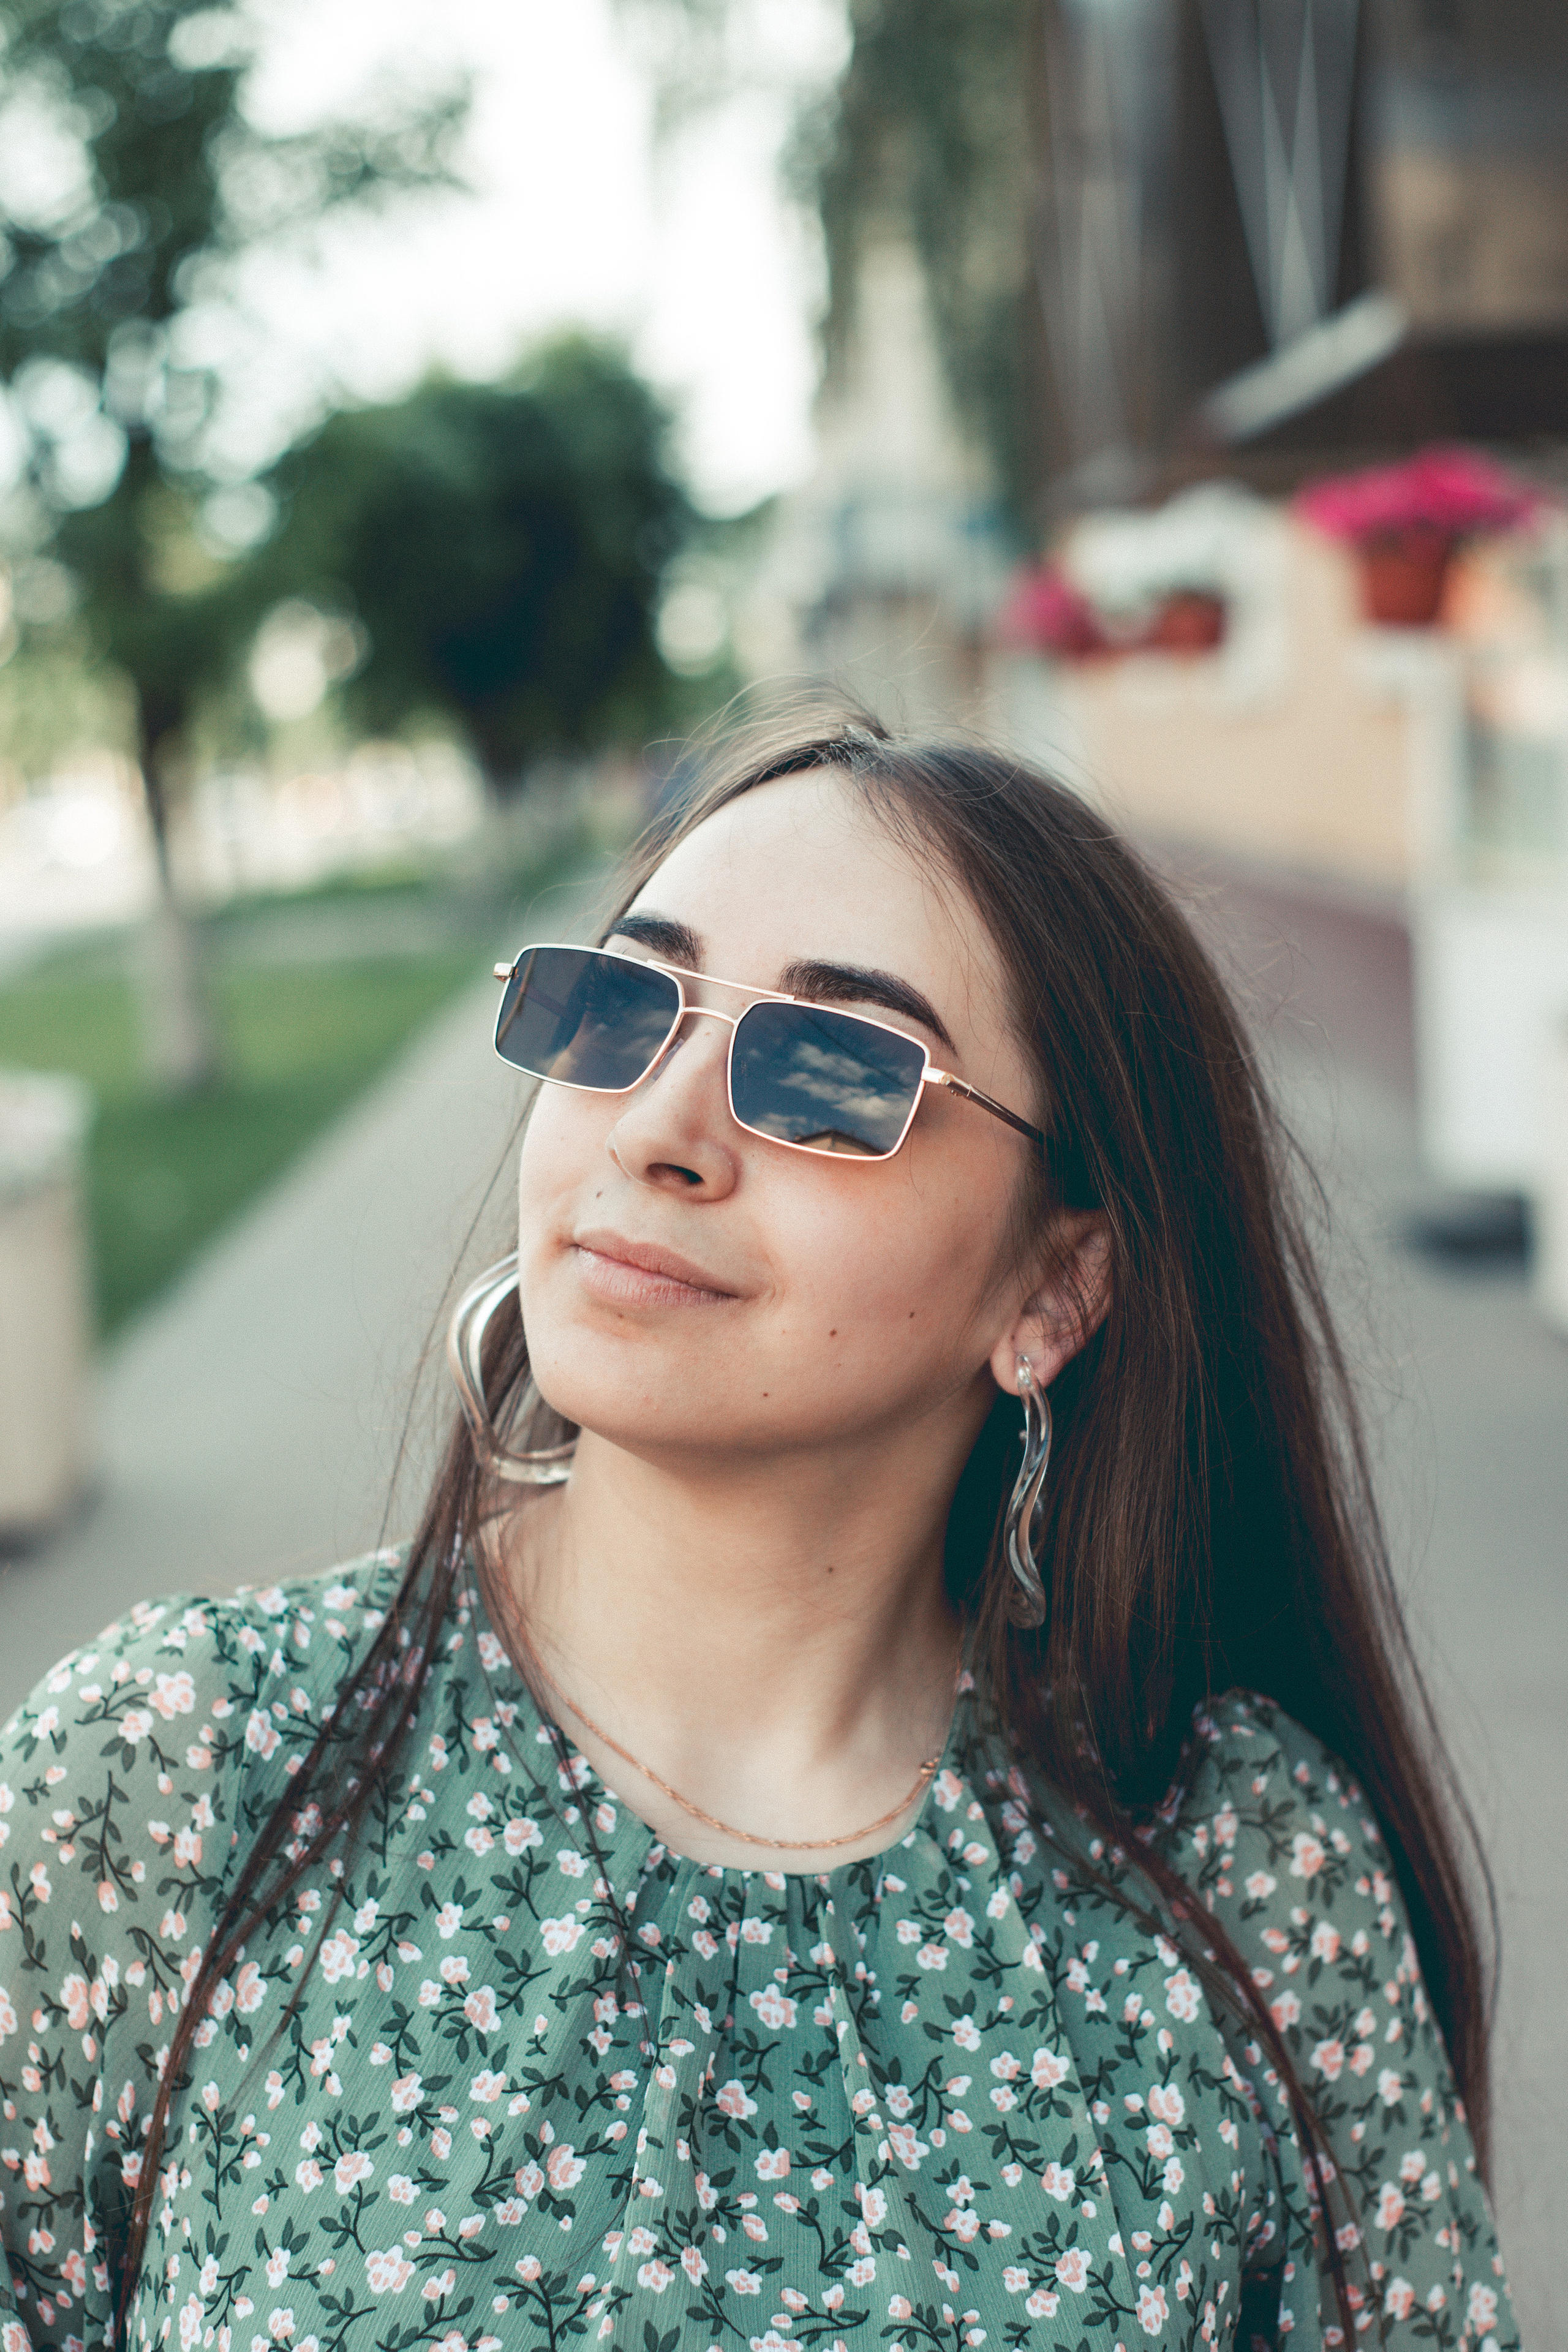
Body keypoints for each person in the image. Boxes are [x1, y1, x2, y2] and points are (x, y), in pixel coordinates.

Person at [0, 714, 1520, 2352]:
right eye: (620, 1007)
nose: (657, 1127)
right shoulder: (178, 1774)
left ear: (1056, 1284)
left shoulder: (1240, 1868)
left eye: (829, 1072)